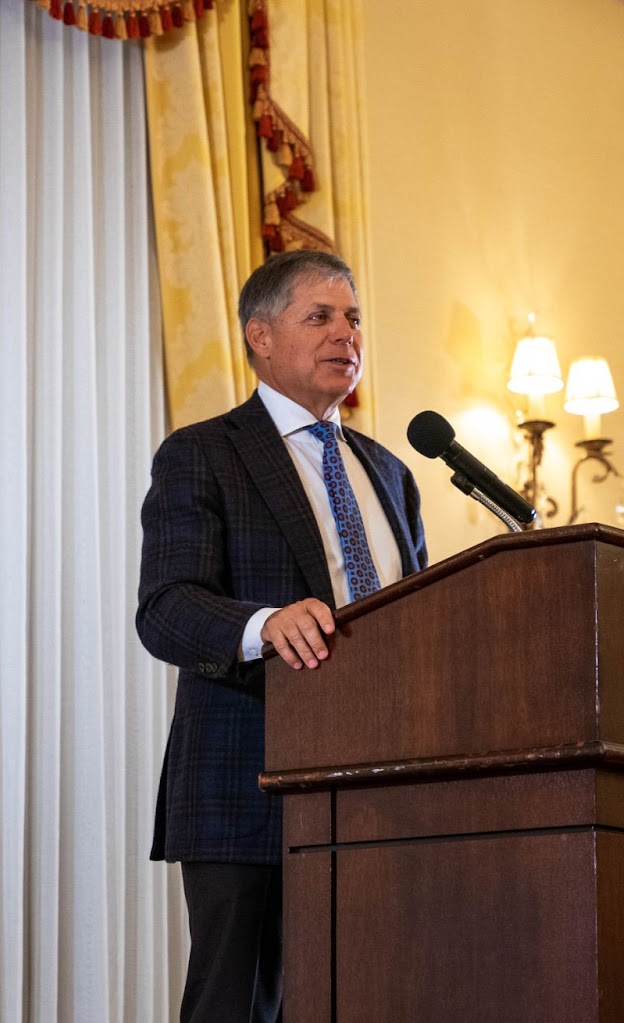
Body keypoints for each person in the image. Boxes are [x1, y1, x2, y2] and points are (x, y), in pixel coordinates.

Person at [136, 250, 427, 1022]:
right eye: (321, 316)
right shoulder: (206, 452)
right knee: (240, 1004)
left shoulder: (391, 472)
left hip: (381, 782)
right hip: (250, 779)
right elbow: (165, 607)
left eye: (355, 317)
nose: (346, 334)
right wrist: (265, 624)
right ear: (259, 336)